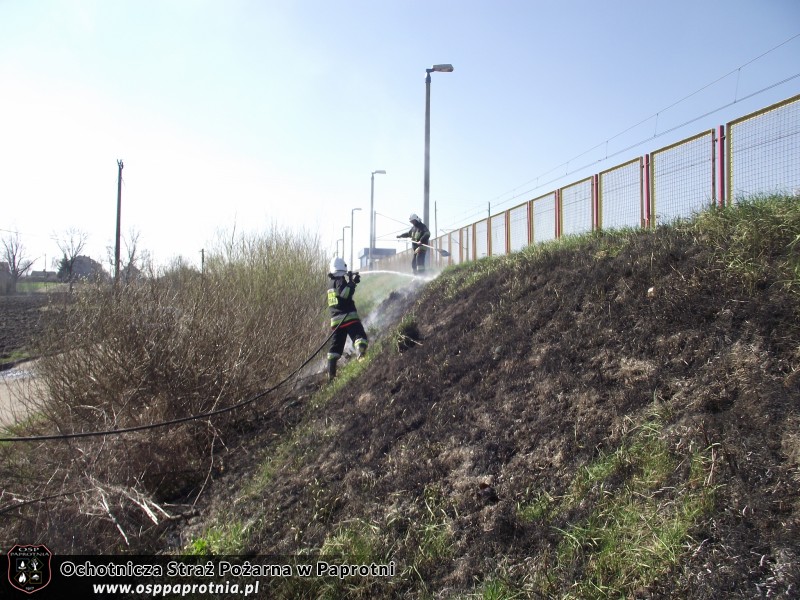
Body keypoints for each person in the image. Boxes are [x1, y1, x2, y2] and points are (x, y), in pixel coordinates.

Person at [326, 257, 368, 381]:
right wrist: (352, 283)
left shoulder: (331, 283)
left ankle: (331, 375)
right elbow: (345, 293)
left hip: (336, 321)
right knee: (359, 336)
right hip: (348, 316)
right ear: (341, 269)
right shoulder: (339, 280)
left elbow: (340, 295)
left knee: (335, 349)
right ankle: (361, 355)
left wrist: (350, 281)